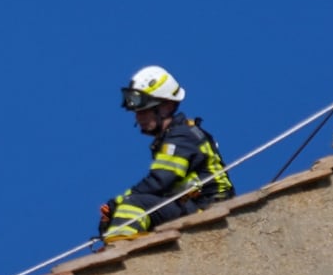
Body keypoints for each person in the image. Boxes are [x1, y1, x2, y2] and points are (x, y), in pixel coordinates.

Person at [99, 66, 234, 243]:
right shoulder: (171, 138)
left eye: (145, 110)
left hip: (208, 211)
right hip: (192, 209)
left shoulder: (182, 136)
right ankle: (123, 243)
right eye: (137, 112)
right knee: (130, 211)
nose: (139, 118)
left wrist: (117, 202)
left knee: (133, 204)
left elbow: (159, 181)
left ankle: (122, 249)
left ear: (167, 106)